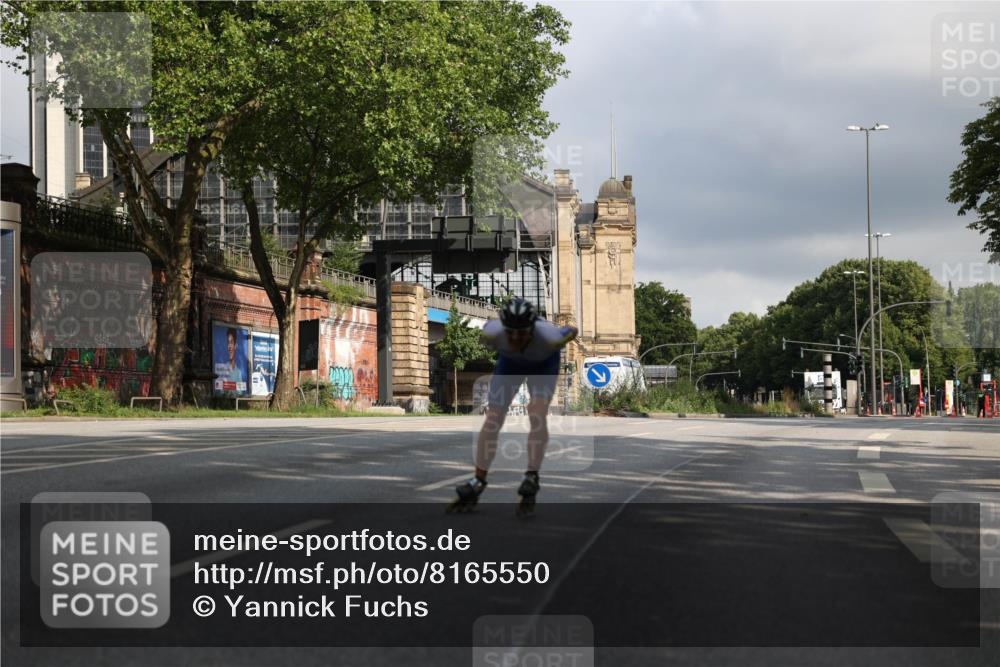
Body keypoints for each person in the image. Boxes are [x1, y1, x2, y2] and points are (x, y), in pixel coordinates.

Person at [448, 298, 577, 516]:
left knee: (536, 412)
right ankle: (478, 480)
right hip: (510, 364)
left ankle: (532, 475)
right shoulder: (491, 332)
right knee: (493, 418)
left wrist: (569, 331)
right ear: (504, 329)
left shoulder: (550, 337)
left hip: (544, 363)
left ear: (532, 329)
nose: (516, 339)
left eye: (522, 333)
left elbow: (572, 330)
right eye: (511, 333)